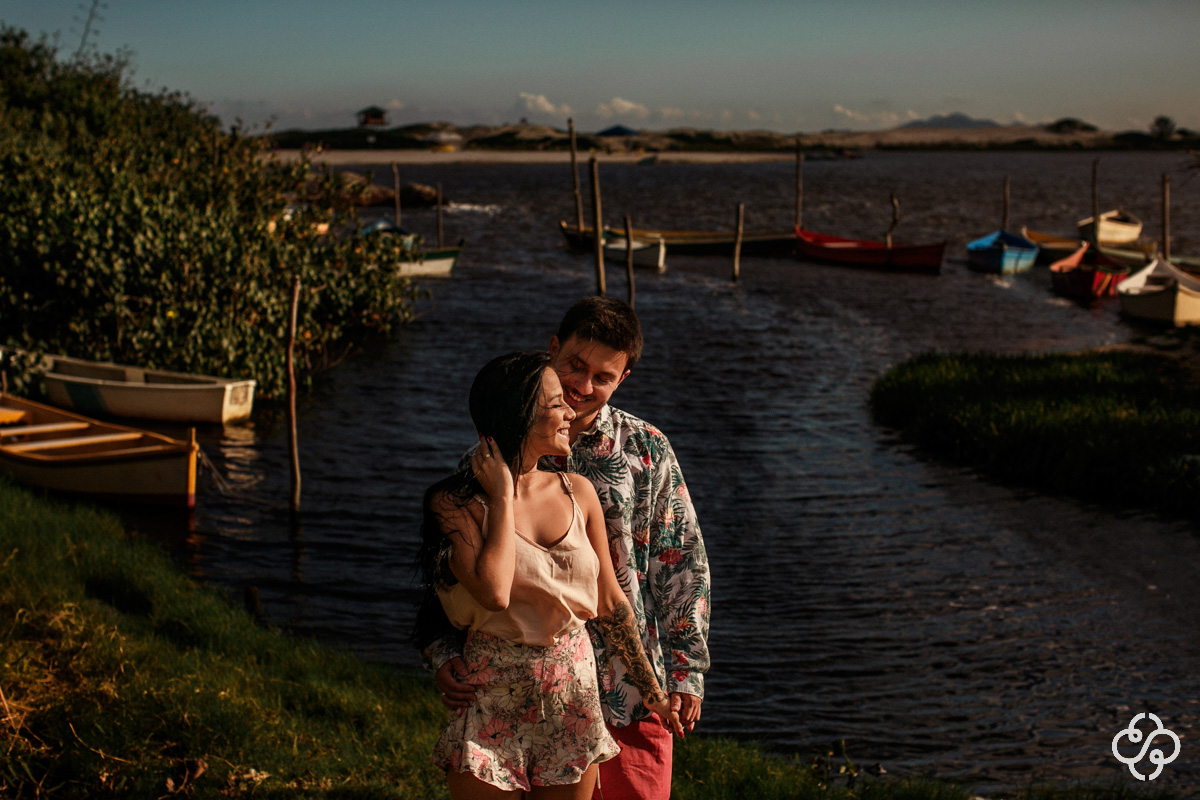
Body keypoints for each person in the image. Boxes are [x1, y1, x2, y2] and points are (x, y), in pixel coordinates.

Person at [427, 298, 711, 800]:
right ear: (553, 349)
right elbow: (447, 576)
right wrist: (441, 651)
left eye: (602, 377)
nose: (582, 387)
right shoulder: (483, 468)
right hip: (503, 690)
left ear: (621, 380)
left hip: (624, 690)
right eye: (575, 367)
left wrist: (685, 670)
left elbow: (681, 562)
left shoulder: (645, 449)